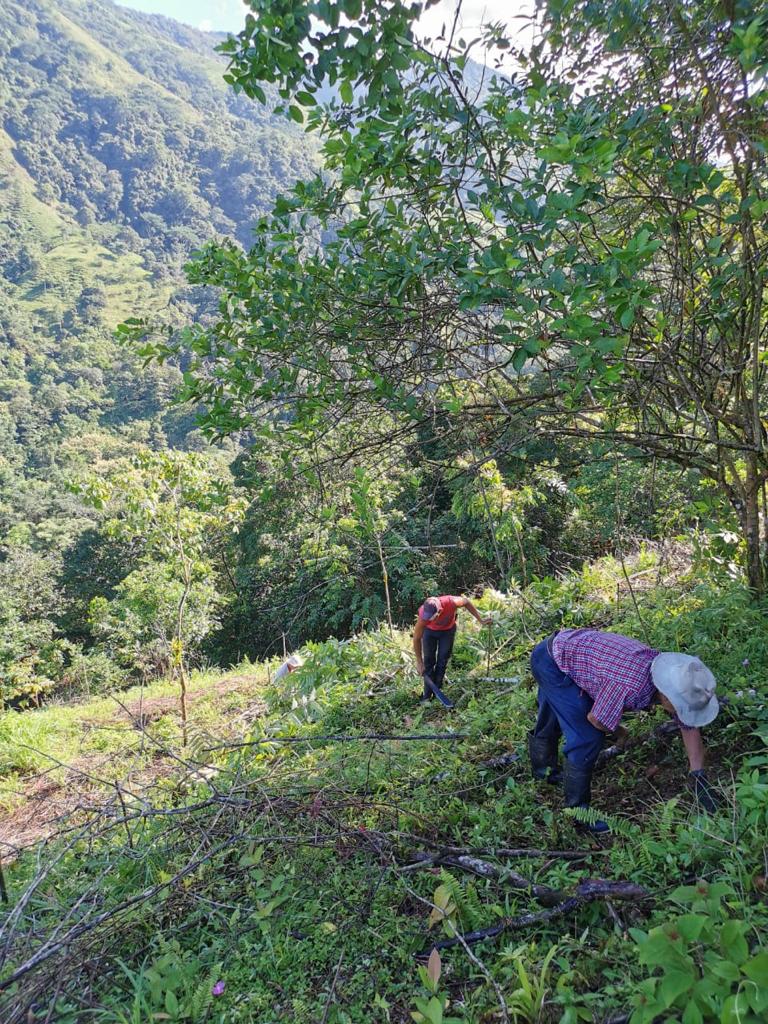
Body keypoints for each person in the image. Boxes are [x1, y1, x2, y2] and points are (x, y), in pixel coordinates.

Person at [528, 628, 720, 833]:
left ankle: (543, 772)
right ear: (665, 696)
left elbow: (688, 723)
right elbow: (596, 719)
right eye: (681, 706)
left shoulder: (671, 677)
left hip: (564, 649)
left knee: (554, 713)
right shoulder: (632, 687)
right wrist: (621, 732)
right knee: (588, 737)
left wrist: (698, 775)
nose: (683, 711)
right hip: (552, 662)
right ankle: (579, 814)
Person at [413, 595, 492, 706]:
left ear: (439, 611)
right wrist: (419, 662)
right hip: (429, 633)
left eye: (432, 617)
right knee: (428, 662)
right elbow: (416, 638)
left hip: (447, 632)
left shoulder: (452, 602)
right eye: (427, 617)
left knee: (442, 660)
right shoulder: (423, 615)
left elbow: (467, 602)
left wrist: (481, 620)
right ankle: (427, 694)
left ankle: (438, 691)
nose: (429, 619)